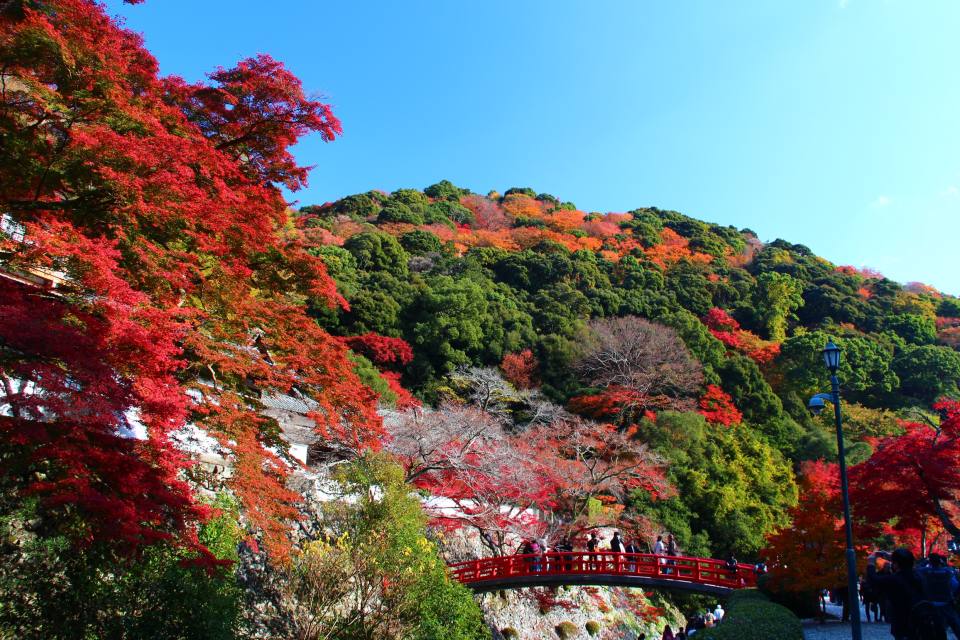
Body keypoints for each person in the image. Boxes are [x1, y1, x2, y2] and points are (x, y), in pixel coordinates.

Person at [866, 548, 946, 640]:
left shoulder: (895, 579)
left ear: (896, 564)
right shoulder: (920, 575)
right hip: (925, 620)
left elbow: (873, 580)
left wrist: (871, 563)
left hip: (904, 624)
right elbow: (913, 565)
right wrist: (894, 557)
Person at [917, 552, 960, 638]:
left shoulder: (925, 572)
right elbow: (956, 586)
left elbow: (916, 569)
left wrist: (925, 561)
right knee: (956, 625)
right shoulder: (948, 572)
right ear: (940, 561)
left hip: (930, 605)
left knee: (933, 629)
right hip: (946, 604)